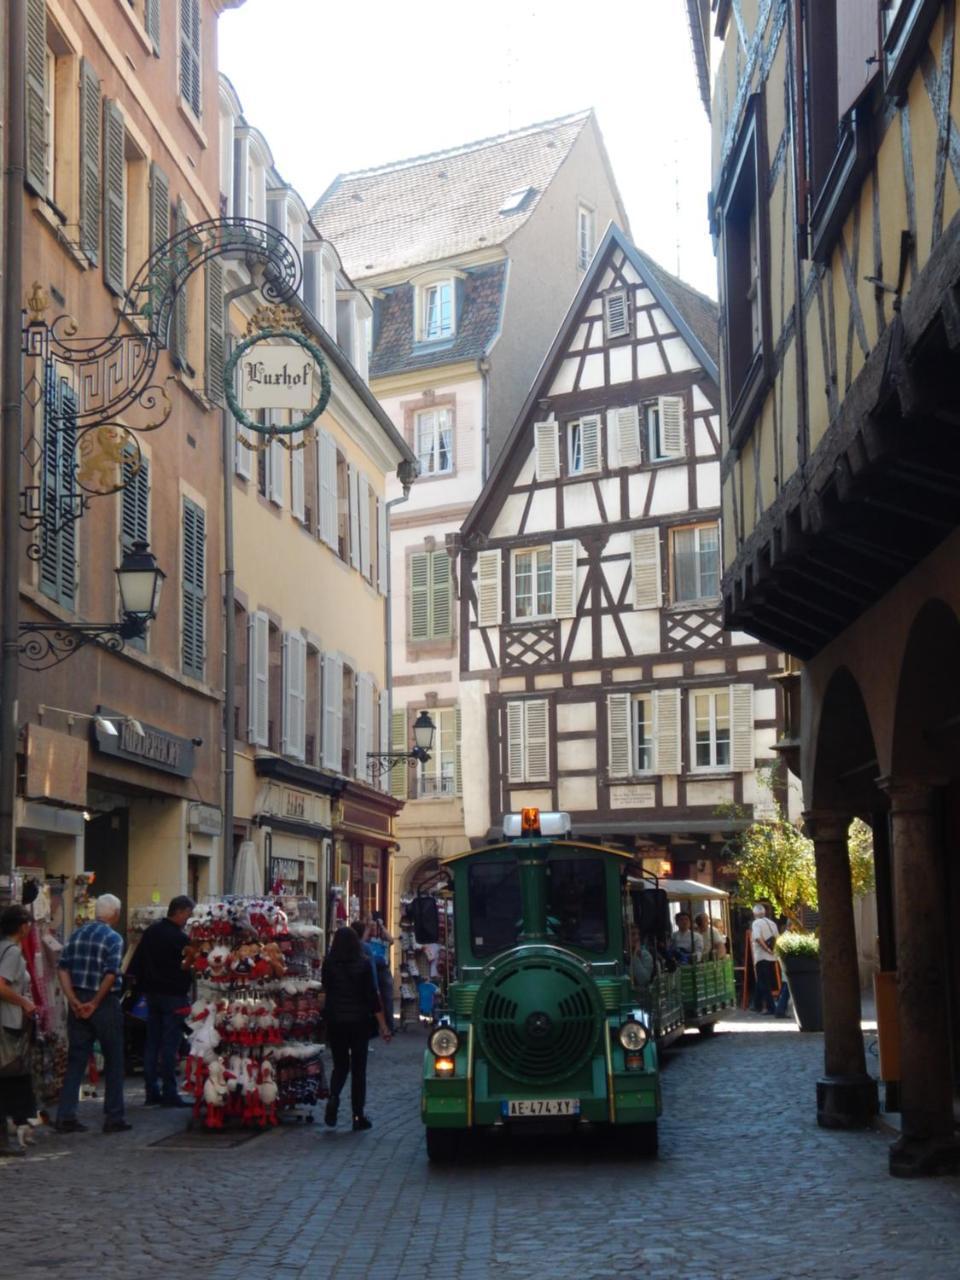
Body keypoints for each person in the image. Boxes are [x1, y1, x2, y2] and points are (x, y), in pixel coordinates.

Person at [55, 893, 130, 1134]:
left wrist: (74, 1000)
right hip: (104, 1002)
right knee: (114, 1059)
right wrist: (95, 1002)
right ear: (115, 915)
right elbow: (110, 974)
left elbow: (62, 969)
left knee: (76, 1059)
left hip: (78, 999)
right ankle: (113, 1117)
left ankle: (65, 1115)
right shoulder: (114, 938)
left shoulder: (75, 935)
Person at [127, 895, 194, 1107]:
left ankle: (151, 1091)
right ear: (180, 911)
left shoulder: (151, 932)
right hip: (173, 996)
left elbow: (136, 963)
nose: (188, 919)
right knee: (170, 1044)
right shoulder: (180, 938)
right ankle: (169, 1092)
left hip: (151, 995)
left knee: (152, 1043)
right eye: (188, 914)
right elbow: (187, 966)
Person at [322, 926, 390, 1131]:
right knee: (359, 1070)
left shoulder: (329, 964)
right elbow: (372, 997)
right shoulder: (364, 964)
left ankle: (333, 1097)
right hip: (359, 1021)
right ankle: (358, 1115)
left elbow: (326, 989)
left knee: (340, 1065)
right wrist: (383, 1026)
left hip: (335, 1020)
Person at [0, 905, 37, 1158]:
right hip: (6, 1023)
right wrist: (24, 1002)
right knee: (7, 1081)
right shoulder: (11, 952)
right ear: (22, 925)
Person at [367, 912, 395, 1033]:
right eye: (372, 927)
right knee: (372, 998)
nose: (374, 929)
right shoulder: (367, 939)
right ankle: (374, 1026)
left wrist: (382, 927)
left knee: (387, 998)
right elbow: (361, 940)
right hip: (370, 970)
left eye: (375, 927)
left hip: (383, 970)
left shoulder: (383, 939)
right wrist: (368, 928)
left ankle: (390, 1026)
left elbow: (391, 940)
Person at [750, 904, 779, 1014]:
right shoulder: (772, 923)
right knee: (763, 981)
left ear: (754, 914)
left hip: (761, 956)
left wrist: (766, 949)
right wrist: (773, 951)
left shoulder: (756, 923)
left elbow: (757, 938)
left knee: (764, 983)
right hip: (772, 957)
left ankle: (771, 1007)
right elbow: (777, 938)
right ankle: (756, 1004)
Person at [628, 925, 654, 992]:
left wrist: (635, 957)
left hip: (641, 994)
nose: (637, 937)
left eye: (638, 934)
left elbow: (643, 980)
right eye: (633, 934)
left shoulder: (645, 955)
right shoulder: (620, 955)